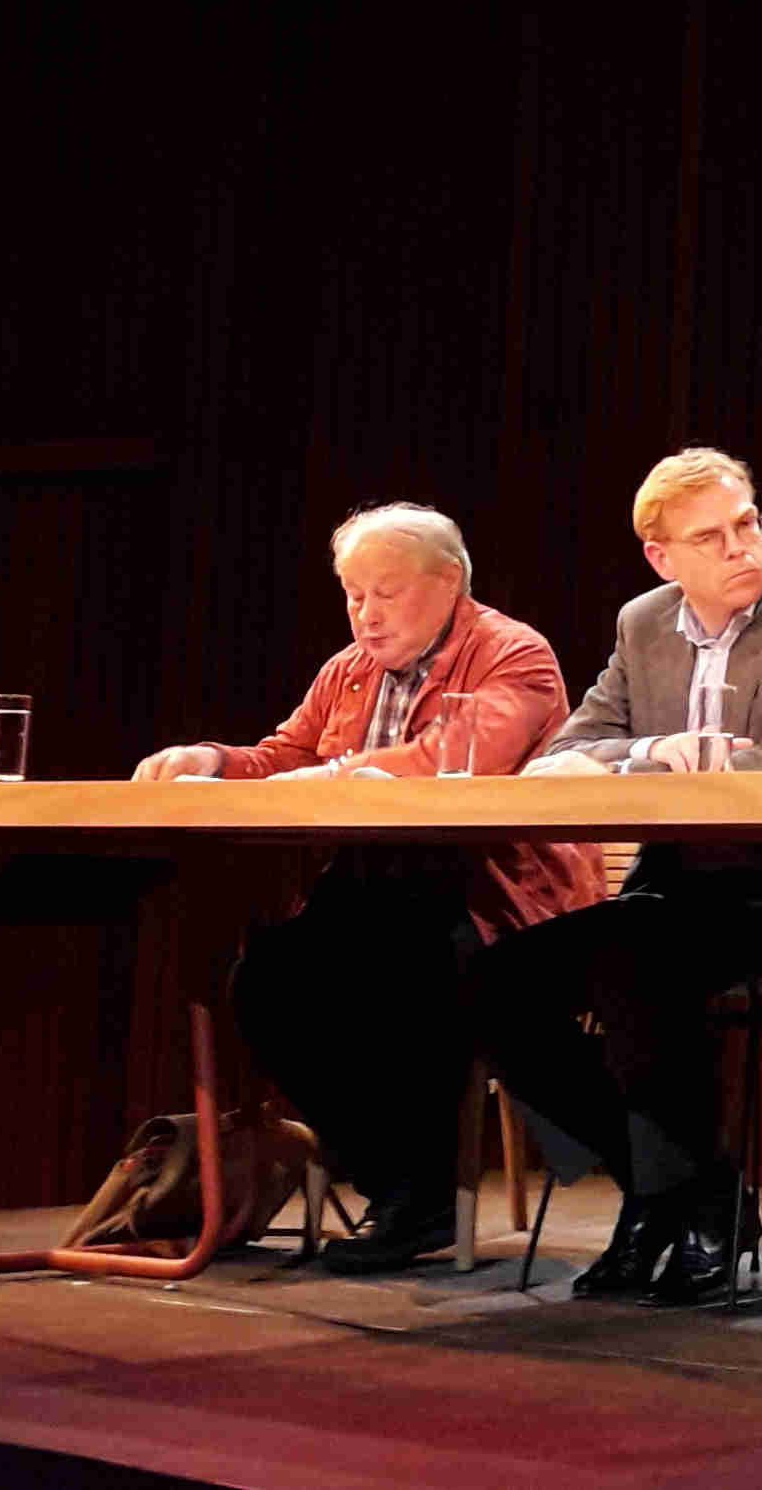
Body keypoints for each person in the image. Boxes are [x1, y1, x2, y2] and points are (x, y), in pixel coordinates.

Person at [127, 502, 591, 1273]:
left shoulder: (515, 654)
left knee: (407, 965)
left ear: (448, 583)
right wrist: (209, 759)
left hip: (489, 897)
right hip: (368, 892)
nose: (365, 616)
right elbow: (283, 755)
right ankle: (399, 1185)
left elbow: (457, 758)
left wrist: (330, 776)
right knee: (269, 984)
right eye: (352, 595)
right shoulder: (347, 670)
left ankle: (422, 1196)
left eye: (385, 593)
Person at [465, 447, 762, 1304]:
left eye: (747, 524)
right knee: (499, 983)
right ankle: (683, 1191)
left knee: (637, 955)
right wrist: (657, 751)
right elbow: (565, 756)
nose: (741, 549)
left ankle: (672, 1206)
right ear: (663, 557)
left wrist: (654, 770)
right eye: (712, 537)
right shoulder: (643, 624)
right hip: (679, 885)